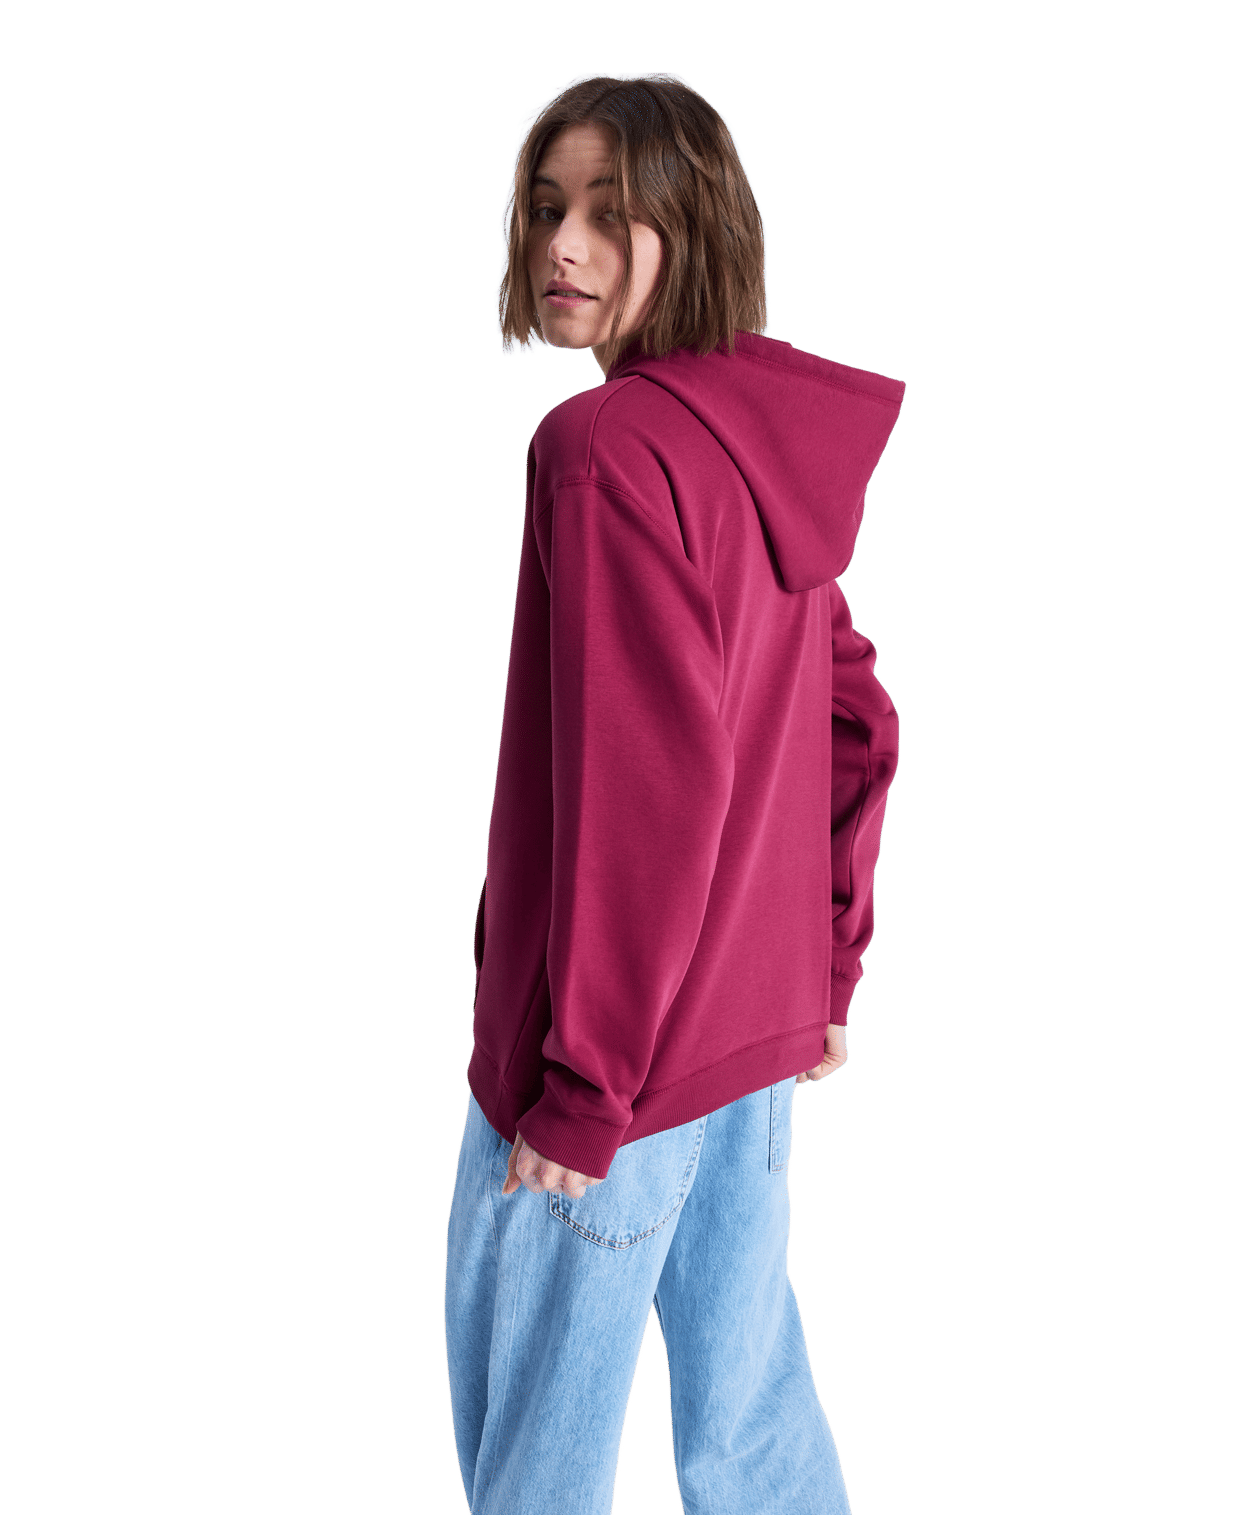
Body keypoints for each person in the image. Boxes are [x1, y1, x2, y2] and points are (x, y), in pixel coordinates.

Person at [443, 71, 906, 1514]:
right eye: (545, 208)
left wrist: (582, 1089)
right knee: (750, 1423)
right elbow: (856, 719)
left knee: (536, 1454)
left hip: (612, 1063)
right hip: (748, 1038)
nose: (563, 246)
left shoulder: (603, 452)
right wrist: (823, 964)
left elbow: (650, 794)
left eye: (609, 212)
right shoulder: (761, 452)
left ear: (691, 228)